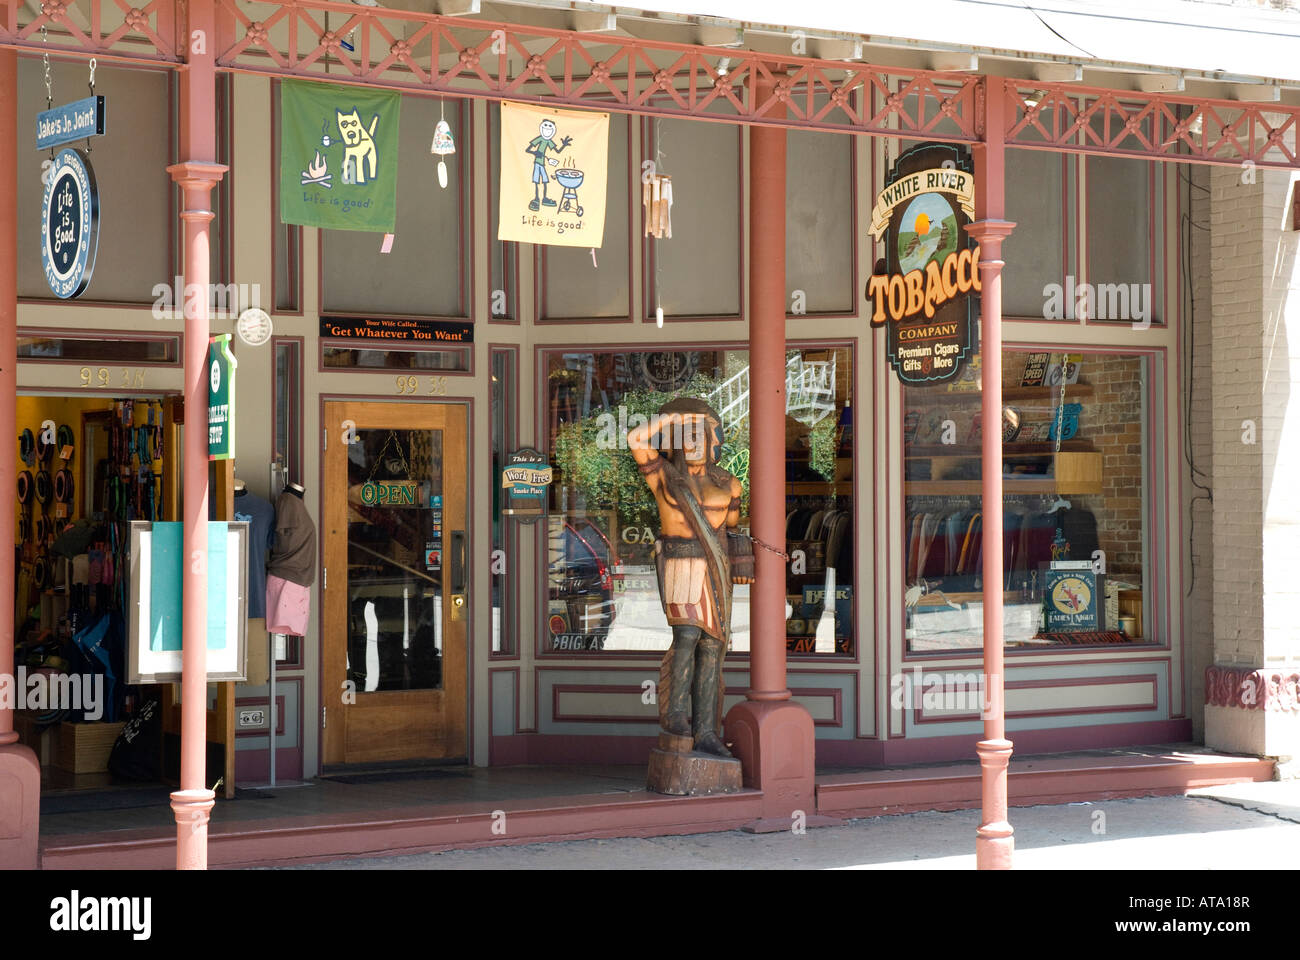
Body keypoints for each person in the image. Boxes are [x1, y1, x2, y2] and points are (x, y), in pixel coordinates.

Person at [628, 398, 752, 758]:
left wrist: (742, 561)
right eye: (687, 435)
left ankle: (707, 730)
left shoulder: (730, 485)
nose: (694, 442)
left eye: (702, 434)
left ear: (715, 441)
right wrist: (669, 418)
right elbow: (636, 440)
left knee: (713, 646)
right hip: (679, 563)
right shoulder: (665, 476)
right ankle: (676, 714)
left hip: (715, 567)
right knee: (686, 635)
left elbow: (731, 529)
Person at [526, 118, 572, 212]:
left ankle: (544, 199)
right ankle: (536, 199)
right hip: (537, 163)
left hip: (542, 164)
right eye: (545, 126)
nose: (547, 129)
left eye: (550, 127)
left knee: (545, 181)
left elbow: (558, 151)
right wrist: (535, 153)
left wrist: (564, 145)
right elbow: (527, 149)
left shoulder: (548, 141)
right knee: (536, 181)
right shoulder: (539, 138)